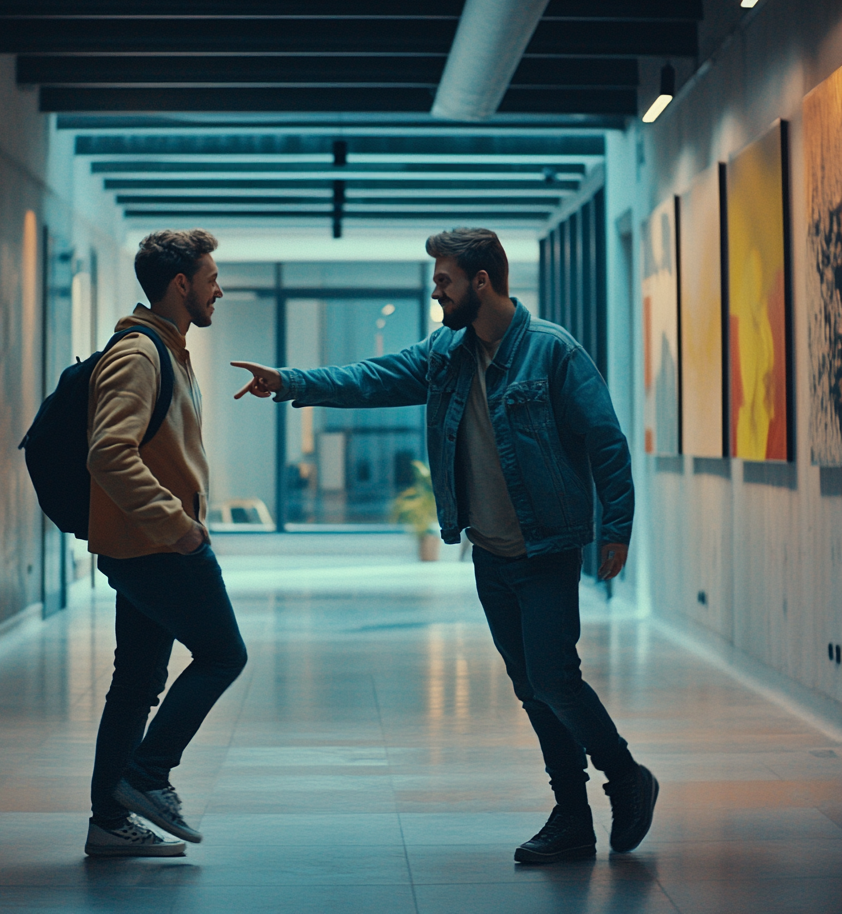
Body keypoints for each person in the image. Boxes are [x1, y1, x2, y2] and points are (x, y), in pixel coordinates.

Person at [231, 227, 657, 864]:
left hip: (545, 548)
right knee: (530, 685)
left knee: (553, 676)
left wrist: (617, 528)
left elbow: (606, 441)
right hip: (490, 550)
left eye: (444, 281)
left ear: (480, 282)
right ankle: (571, 815)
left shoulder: (552, 352)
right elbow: (371, 378)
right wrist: (290, 381)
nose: (436, 292)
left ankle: (624, 776)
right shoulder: (448, 353)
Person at [84, 229, 247, 858]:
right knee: (222, 655)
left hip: (144, 547)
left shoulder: (167, 348)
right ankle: (146, 777)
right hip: (160, 548)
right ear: (181, 284)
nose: (218, 289)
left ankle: (108, 822)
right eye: (211, 278)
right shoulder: (140, 353)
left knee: (137, 681)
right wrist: (177, 525)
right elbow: (108, 451)